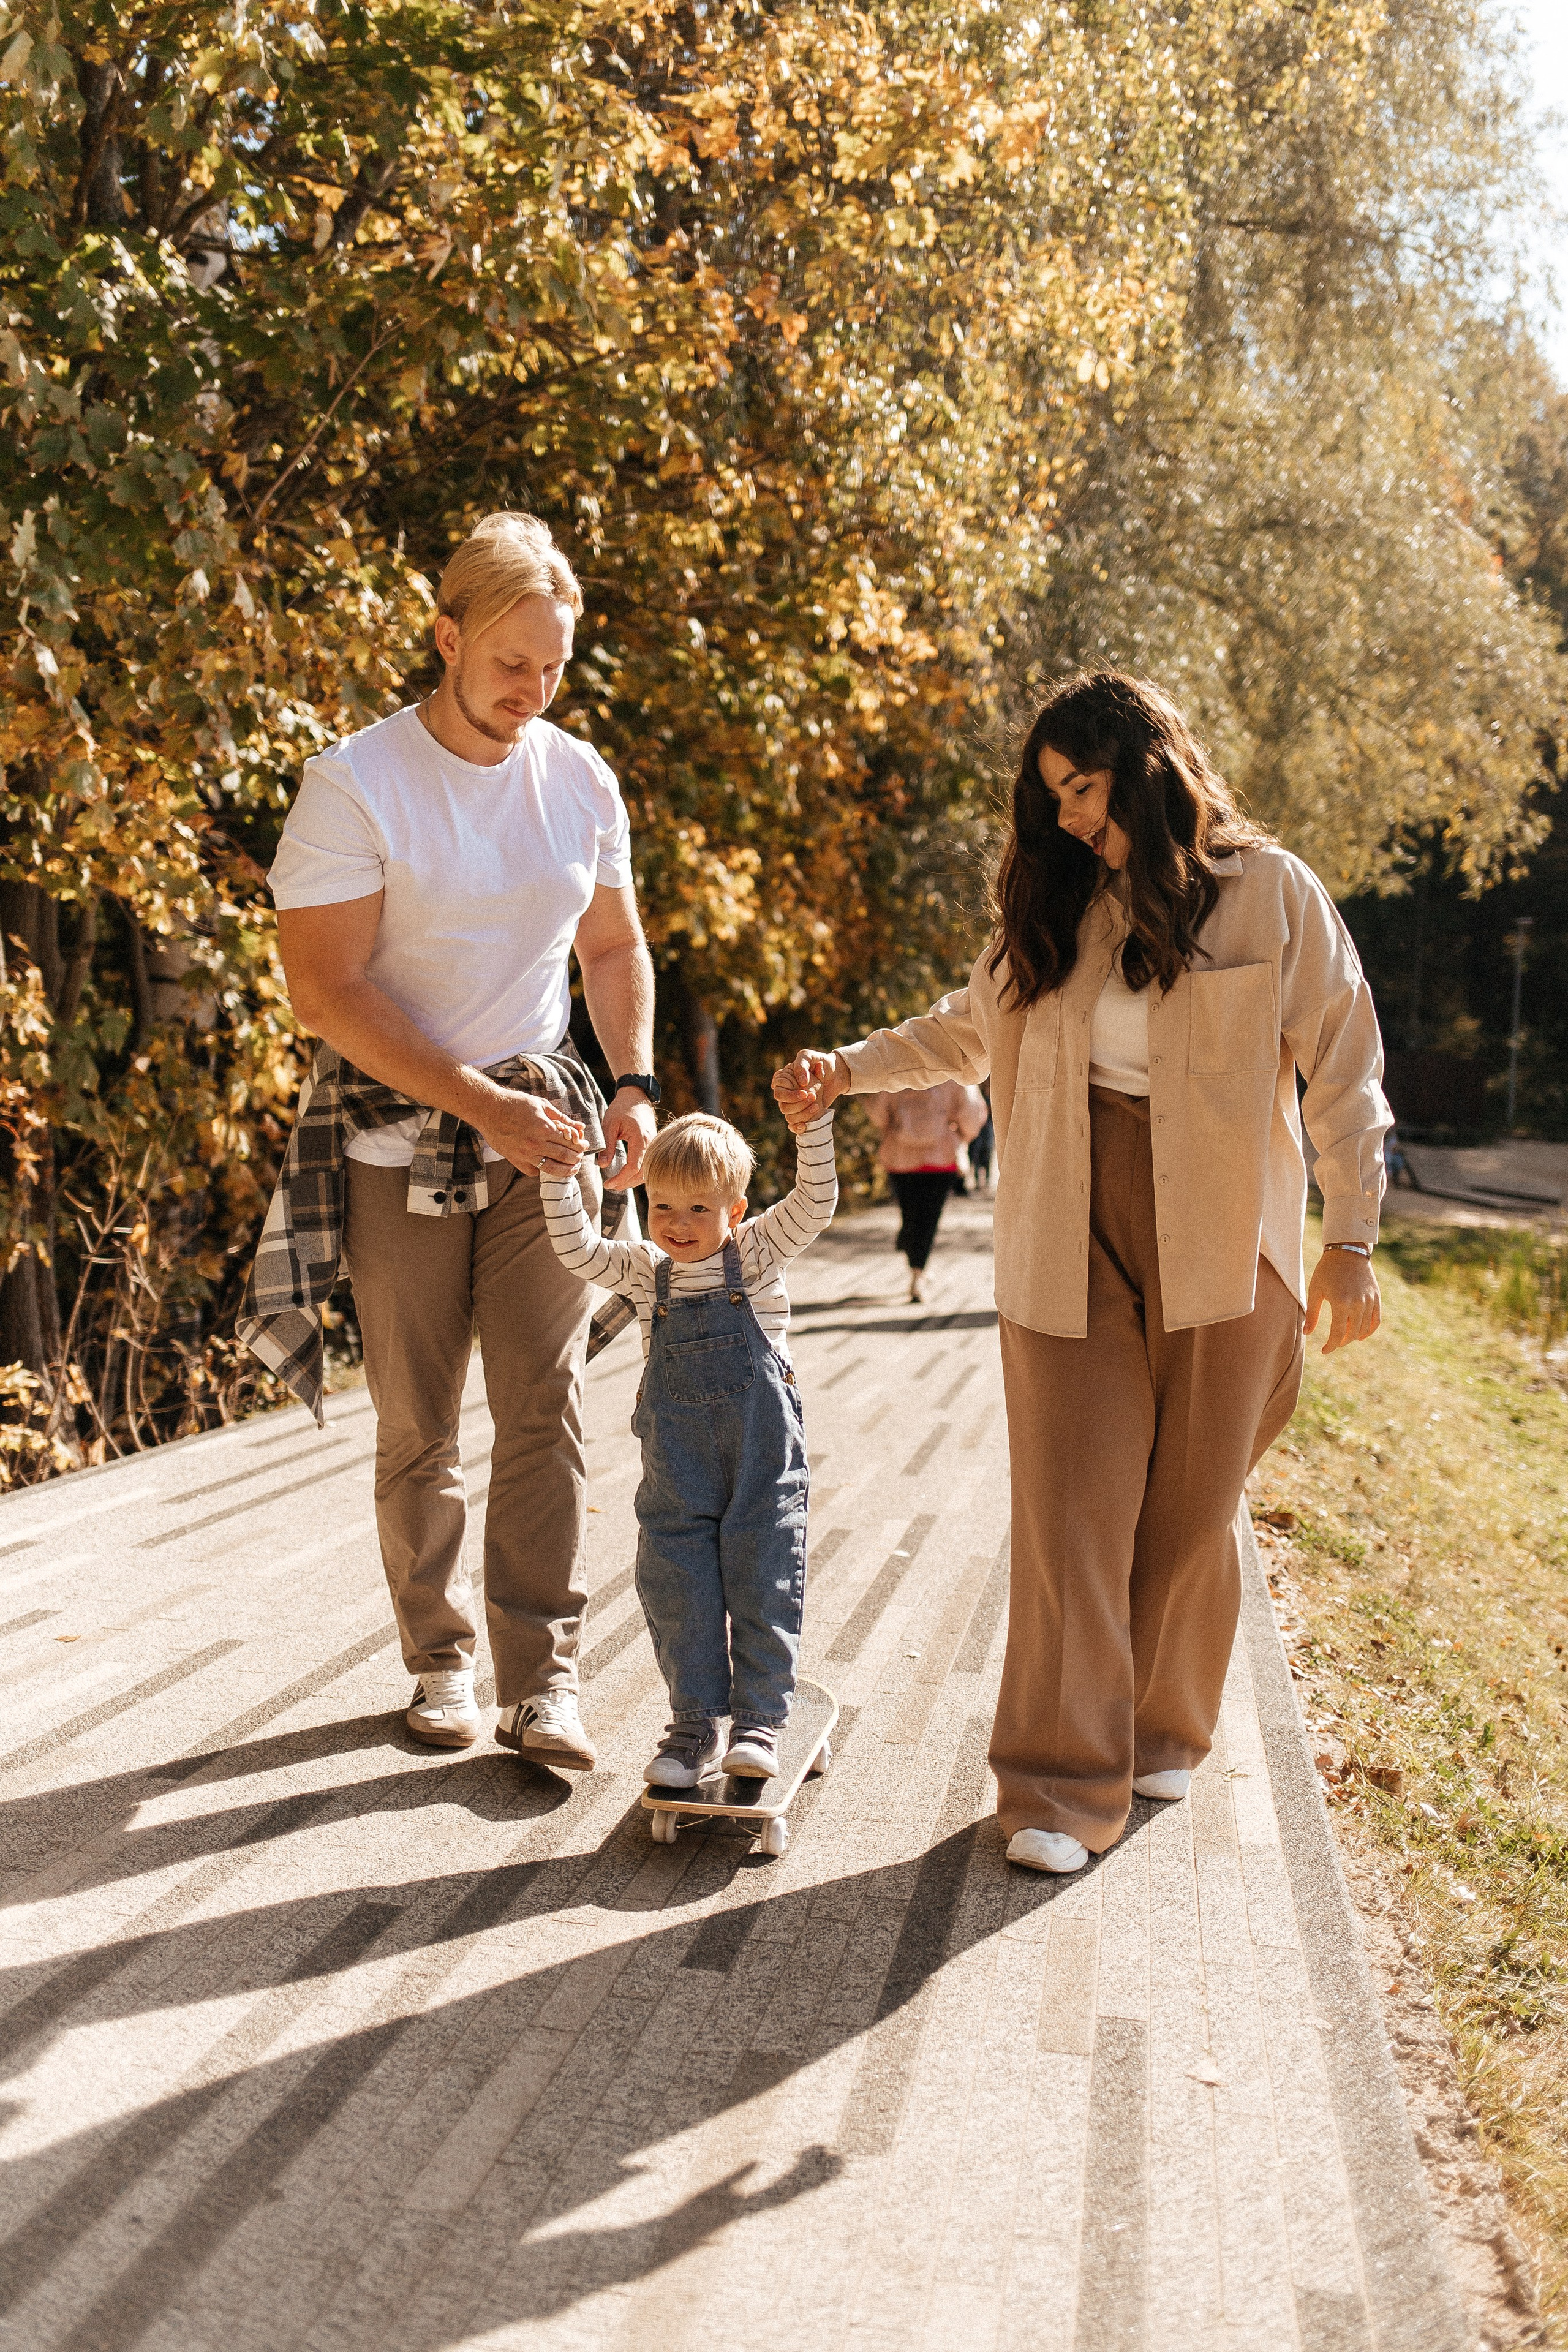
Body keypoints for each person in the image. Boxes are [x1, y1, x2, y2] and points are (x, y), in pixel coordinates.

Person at [774, 670, 1388, 1874]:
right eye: (1048, 795)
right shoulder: (1052, 910)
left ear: (1145, 770)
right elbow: (967, 1023)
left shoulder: (1268, 893)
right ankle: (1056, 1788)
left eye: (1081, 787)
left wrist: (1351, 1238)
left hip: (1226, 1239)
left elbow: (1343, 1059)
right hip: (1067, 1236)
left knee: (1184, 1511)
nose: (1061, 817)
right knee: (1074, 1512)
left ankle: (1162, 1720)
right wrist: (847, 1067)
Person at [239, 511, 658, 1774]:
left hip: (541, 1135)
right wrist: (482, 1105)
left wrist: (629, 1084)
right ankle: (442, 1660)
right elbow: (330, 996)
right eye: (508, 664)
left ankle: (545, 1681)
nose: (532, 692)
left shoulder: (579, 779)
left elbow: (611, 946)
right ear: (445, 637)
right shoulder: (355, 784)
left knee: (547, 1406)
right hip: (392, 1147)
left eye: (553, 668)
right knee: (418, 1422)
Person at [540, 1109, 837, 1787]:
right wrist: (559, 1178)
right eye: (663, 1204)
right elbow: (579, 1252)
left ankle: (759, 1721)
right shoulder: (649, 1271)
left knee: (763, 1573)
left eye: (699, 1207)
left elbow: (815, 1200)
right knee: (679, 1584)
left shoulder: (759, 1254)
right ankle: (694, 1724)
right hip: (678, 1467)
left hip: (761, 1454)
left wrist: (812, 1125)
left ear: (735, 1210)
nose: (678, 1222)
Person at [865, 1080, 988, 1300]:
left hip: (901, 1157)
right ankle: (918, 1274)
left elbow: (879, 1113)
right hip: (941, 1156)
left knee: (910, 1212)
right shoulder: (954, 1071)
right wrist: (961, 1135)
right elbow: (972, 1112)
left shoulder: (895, 1069)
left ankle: (912, 1253)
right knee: (929, 1217)